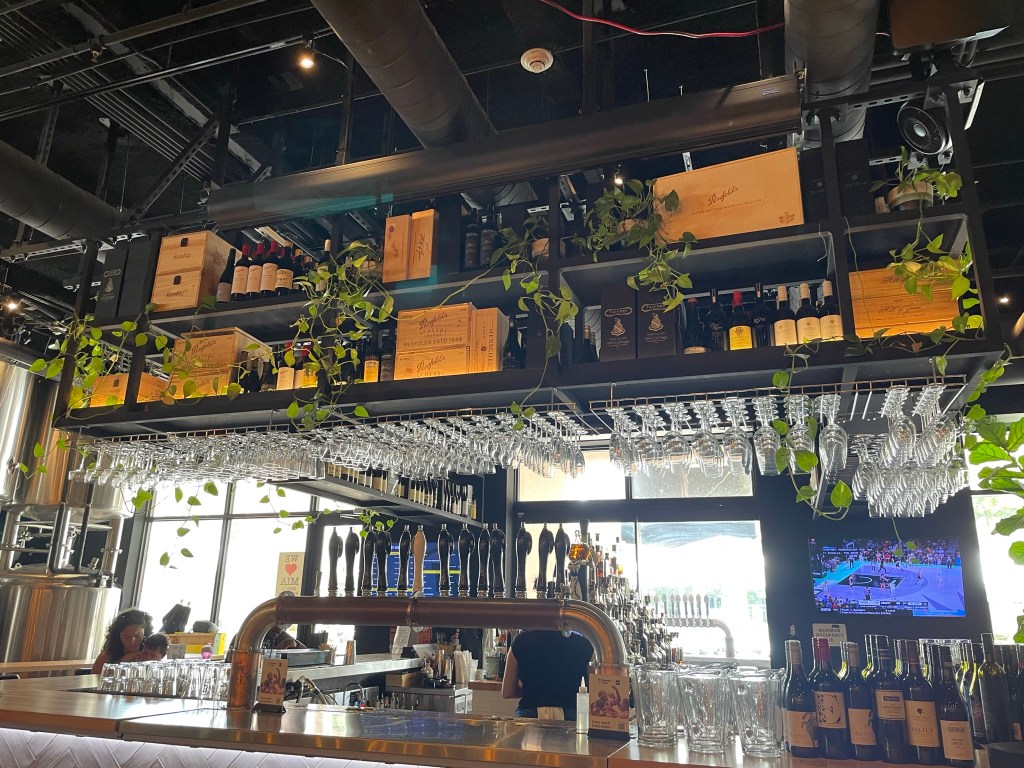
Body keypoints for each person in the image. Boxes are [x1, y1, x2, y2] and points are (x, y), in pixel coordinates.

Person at [501, 629, 593, 719]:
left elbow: (507, 692)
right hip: (571, 715)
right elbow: (593, 691)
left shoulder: (520, 641)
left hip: (529, 714)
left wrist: (529, 689)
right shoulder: (584, 644)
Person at [92, 608, 153, 673]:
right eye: (126, 637)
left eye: (137, 636)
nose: (132, 641)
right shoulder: (107, 656)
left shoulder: (150, 654)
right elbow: (93, 677)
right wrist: (122, 662)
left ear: (145, 633)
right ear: (118, 636)